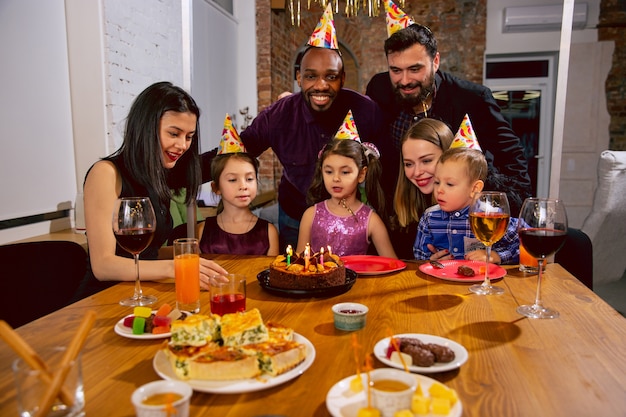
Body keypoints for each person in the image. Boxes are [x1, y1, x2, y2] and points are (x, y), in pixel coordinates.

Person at [239, 5, 386, 249]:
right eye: (310, 76)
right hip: (295, 216)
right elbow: (237, 151)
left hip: (350, 218)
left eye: (330, 76)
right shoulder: (278, 115)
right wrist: (178, 173)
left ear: (342, 78)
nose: (321, 85)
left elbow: (388, 163)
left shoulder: (366, 111)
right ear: (299, 78)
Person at [76, 81, 228, 300]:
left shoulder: (157, 175)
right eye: (174, 134)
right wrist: (173, 268)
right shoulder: (106, 173)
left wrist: (204, 257)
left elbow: (149, 253)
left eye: (189, 137)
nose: (183, 146)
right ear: (146, 127)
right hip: (104, 298)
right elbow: (103, 265)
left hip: (144, 293)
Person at [366, 22, 532, 218]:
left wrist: (506, 212)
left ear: (435, 61)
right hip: (402, 213)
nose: (405, 80)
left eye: (415, 69)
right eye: (396, 70)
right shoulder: (380, 89)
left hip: (458, 216)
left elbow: (512, 161)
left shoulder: (472, 99)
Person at [414, 147, 520, 264]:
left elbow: (523, 244)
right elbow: (419, 254)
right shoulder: (429, 218)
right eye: (437, 182)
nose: (439, 190)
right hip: (442, 280)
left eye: (449, 184)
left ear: (475, 189)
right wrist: (430, 261)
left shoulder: (491, 217)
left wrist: (497, 256)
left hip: (481, 279)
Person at [296, 138, 396, 258]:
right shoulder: (310, 215)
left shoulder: (371, 220)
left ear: (361, 174)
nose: (336, 178)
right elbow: (299, 264)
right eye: (329, 171)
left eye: (345, 172)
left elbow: (392, 264)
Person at [198, 115, 279, 256]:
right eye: (232, 180)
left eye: (249, 179)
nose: (243, 186)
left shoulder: (269, 231)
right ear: (216, 188)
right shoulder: (202, 231)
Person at [393, 118, 454, 259]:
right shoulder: (403, 212)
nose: (417, 172)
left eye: (426, 161)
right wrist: (425, 264)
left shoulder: (478, 204)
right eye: (409, 164)